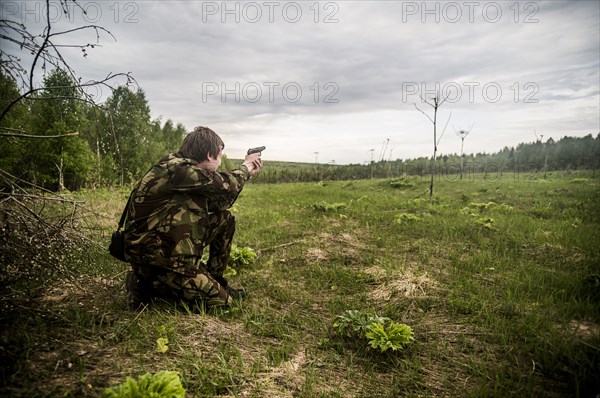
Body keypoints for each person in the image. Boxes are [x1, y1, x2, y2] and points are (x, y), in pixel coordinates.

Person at [123, 126, 262, 309]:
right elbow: (224, 184)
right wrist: (246, 166)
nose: (220, 162)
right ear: (210, 155)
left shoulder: (182, 170)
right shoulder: (179, 171)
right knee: (222, 302)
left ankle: (215, 279)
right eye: (220, 156)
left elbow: (219, 201)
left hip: (164, 247)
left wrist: (245, 176)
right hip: (156, 259)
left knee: (225, 219)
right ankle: (146, 284)